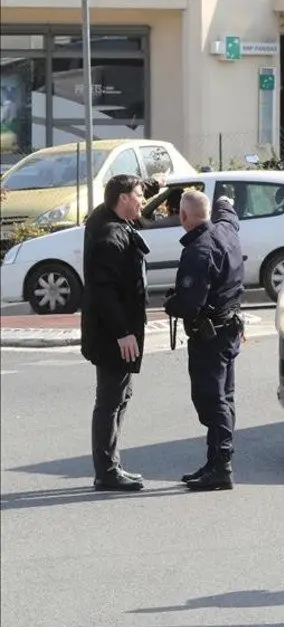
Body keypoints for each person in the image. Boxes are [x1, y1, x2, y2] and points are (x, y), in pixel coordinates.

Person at [163, 190, 246, 492]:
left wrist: (171, 303)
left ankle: (222, 465)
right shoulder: (226, 230)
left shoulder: (199, 251)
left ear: (184, 217)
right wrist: (225, 200)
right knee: (225, 396)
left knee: (211, 399)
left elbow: (189, 305)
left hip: (209, 337)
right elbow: (229, 214)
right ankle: (214, 461)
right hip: (229, 330)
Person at [80, 174, 150, 492]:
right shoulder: (110, 234)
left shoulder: (105, 217)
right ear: (122, 198)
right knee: (111, 399)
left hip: (113, 332)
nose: (143, 200)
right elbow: (102, 291)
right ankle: (107, 471)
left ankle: (111, 466)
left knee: (119, 396)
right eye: (138, 195)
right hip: (112, 335)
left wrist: (153, 182)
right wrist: (123, 333)